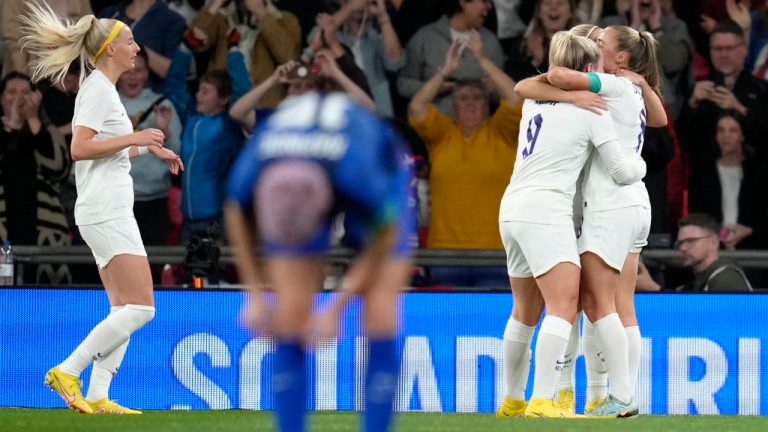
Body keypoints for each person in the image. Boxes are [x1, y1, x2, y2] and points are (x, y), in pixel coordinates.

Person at [21, 1, 183, 414]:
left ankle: (97, 395)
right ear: (110, 48)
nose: (136, 48)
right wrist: (134, 138)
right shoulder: (97, 90)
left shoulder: (101, 90)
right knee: (143, 307)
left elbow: (106, 153)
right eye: (129, 41)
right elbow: (80, 148)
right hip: (106, 210)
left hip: (104, 207)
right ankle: (67, 370)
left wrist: (148, 149)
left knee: (124, 309)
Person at [225, 91, 413, 432]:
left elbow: (385, 233)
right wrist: (253, 295)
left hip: (376, 168)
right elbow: (235, 210)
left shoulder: (360, 173)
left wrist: (335, 307)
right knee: (291, 315)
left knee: (380, 310)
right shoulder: (255, 167)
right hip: (302, 172)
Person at [513, 23, 667, 417]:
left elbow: (551, 78)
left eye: (602, 43)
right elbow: (660, 119)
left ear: (619, 58)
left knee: (593, 303)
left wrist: (639, 165)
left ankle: (615, 395)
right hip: (631, 207)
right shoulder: (624, 87)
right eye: (592, 42)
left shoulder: (608, 90)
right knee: (614, 304)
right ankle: (604, 394)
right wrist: (642, 83)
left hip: (609, 204)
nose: (595, 46)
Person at [408, 31, 521, 288]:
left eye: (477, 98)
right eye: (463, 98)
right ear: (453, 106)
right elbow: (417, 107)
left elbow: (515, 98)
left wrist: (482, 60)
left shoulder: (502, 132)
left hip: (497, 253)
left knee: (493, 324)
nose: (470, 103)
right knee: (446, 323)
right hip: (444, 253)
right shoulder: (442, 134)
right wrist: (444, 72)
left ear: (487, 105)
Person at [0, 71, 72, 284]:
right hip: (4, 229)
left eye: (25, 92)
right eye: (11, 92)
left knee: (44, 303)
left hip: (44, 231)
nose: (19, 98)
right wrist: (11, 125)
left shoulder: (46, 131)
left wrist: (32, 119)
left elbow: (60, 168)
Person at [117, 47, 183, 245]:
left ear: (147, 73)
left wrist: (166, 134)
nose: (133, 76)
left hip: (155, 201)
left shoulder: (163, 105)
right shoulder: (106, 105)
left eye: (138, 71)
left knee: (152, 267)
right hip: (116, 200)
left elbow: (177, 155)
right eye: (127, 70)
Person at [397, 0, 503, 116]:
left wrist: (491, 89)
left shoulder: (490, 41)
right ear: (463, 2)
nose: (489, 6)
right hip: (433, 123)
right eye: (484, 1)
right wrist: (434, 88)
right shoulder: (425, 37)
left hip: (476, 126)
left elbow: (502, 93)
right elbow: (403, 84)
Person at [688, 111, 768, 250]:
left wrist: (749, 230)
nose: (726, 136)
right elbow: (697, 213)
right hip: (713, 248)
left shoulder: (758, 173)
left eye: (733, 130)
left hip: (753, 247)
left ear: (742, 135)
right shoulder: (704, 173)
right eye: (721, 130)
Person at [675, 213, 753, 291]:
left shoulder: (725, 280)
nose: (682, 248)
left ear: (714, 242)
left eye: (690, 241)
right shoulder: (698, 279)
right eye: (680, 243)